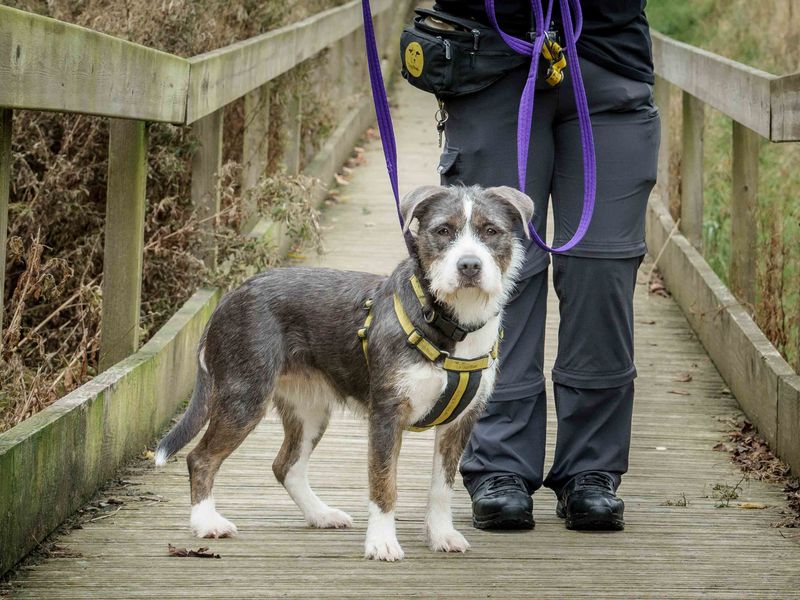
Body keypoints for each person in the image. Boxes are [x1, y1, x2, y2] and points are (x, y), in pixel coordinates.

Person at [432, 0, 659, 531]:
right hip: (492, 58)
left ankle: (591, 469)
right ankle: (499, 462)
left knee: (602, 268)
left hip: (610, 62)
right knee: (495, 273)